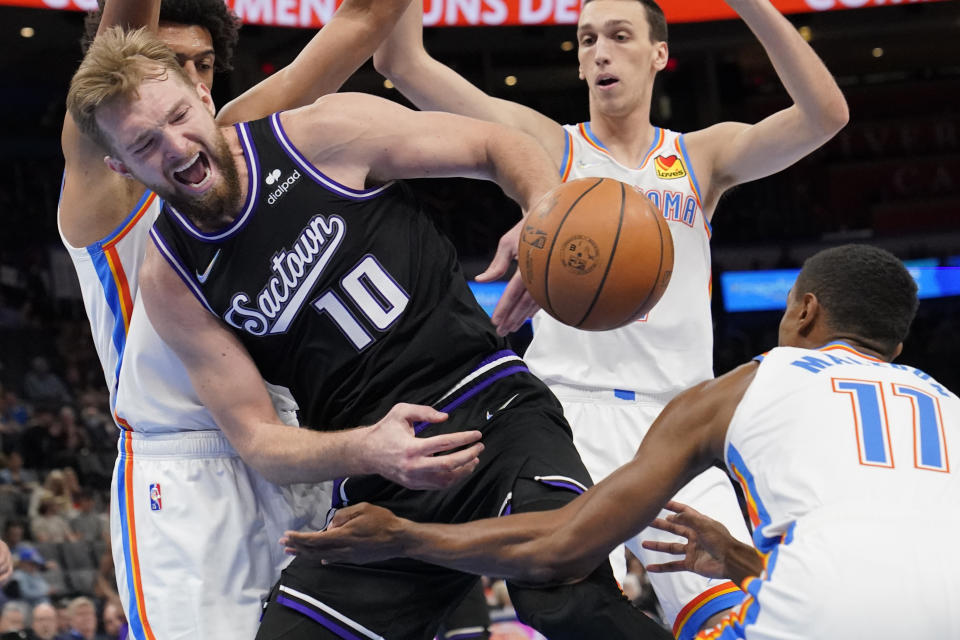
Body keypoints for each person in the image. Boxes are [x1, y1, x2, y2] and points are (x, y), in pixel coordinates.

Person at [68, 26, 674, 640]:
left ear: (202, 94)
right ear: (120, 165)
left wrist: (544, 210)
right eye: (145, 144)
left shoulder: (316, 135)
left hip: (497, 412)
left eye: (176, 115)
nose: (175, 146)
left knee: (569, 604)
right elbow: (257, 438)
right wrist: (370, 451)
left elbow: (496, 145)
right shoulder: (169, 275)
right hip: (382, 481)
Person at [371, 1, 849, 635]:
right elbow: (401, 63)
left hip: (678, 425)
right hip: (563, 415)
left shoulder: (699, 158)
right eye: (587, 38)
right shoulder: (549, 146)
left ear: (658, 54)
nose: (600, 50)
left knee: (744, 618)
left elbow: (826, 115)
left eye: (620, 36)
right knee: (562, 614)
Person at [284, 244, 960, 639]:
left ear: (804, 310)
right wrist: (747, 562)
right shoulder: (949, 405)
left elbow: (559, 546)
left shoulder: (747, 383)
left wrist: (407, 536)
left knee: (624, 600)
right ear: (896, 347)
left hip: (808, 622)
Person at [58, 0, 424, 637]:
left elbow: (362, 22)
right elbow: (121, 25)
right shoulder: (104, 174)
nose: (196, 80)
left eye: (204, 65)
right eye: (172, 62)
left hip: (299, 453)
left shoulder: (242, 141)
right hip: (186, 475)